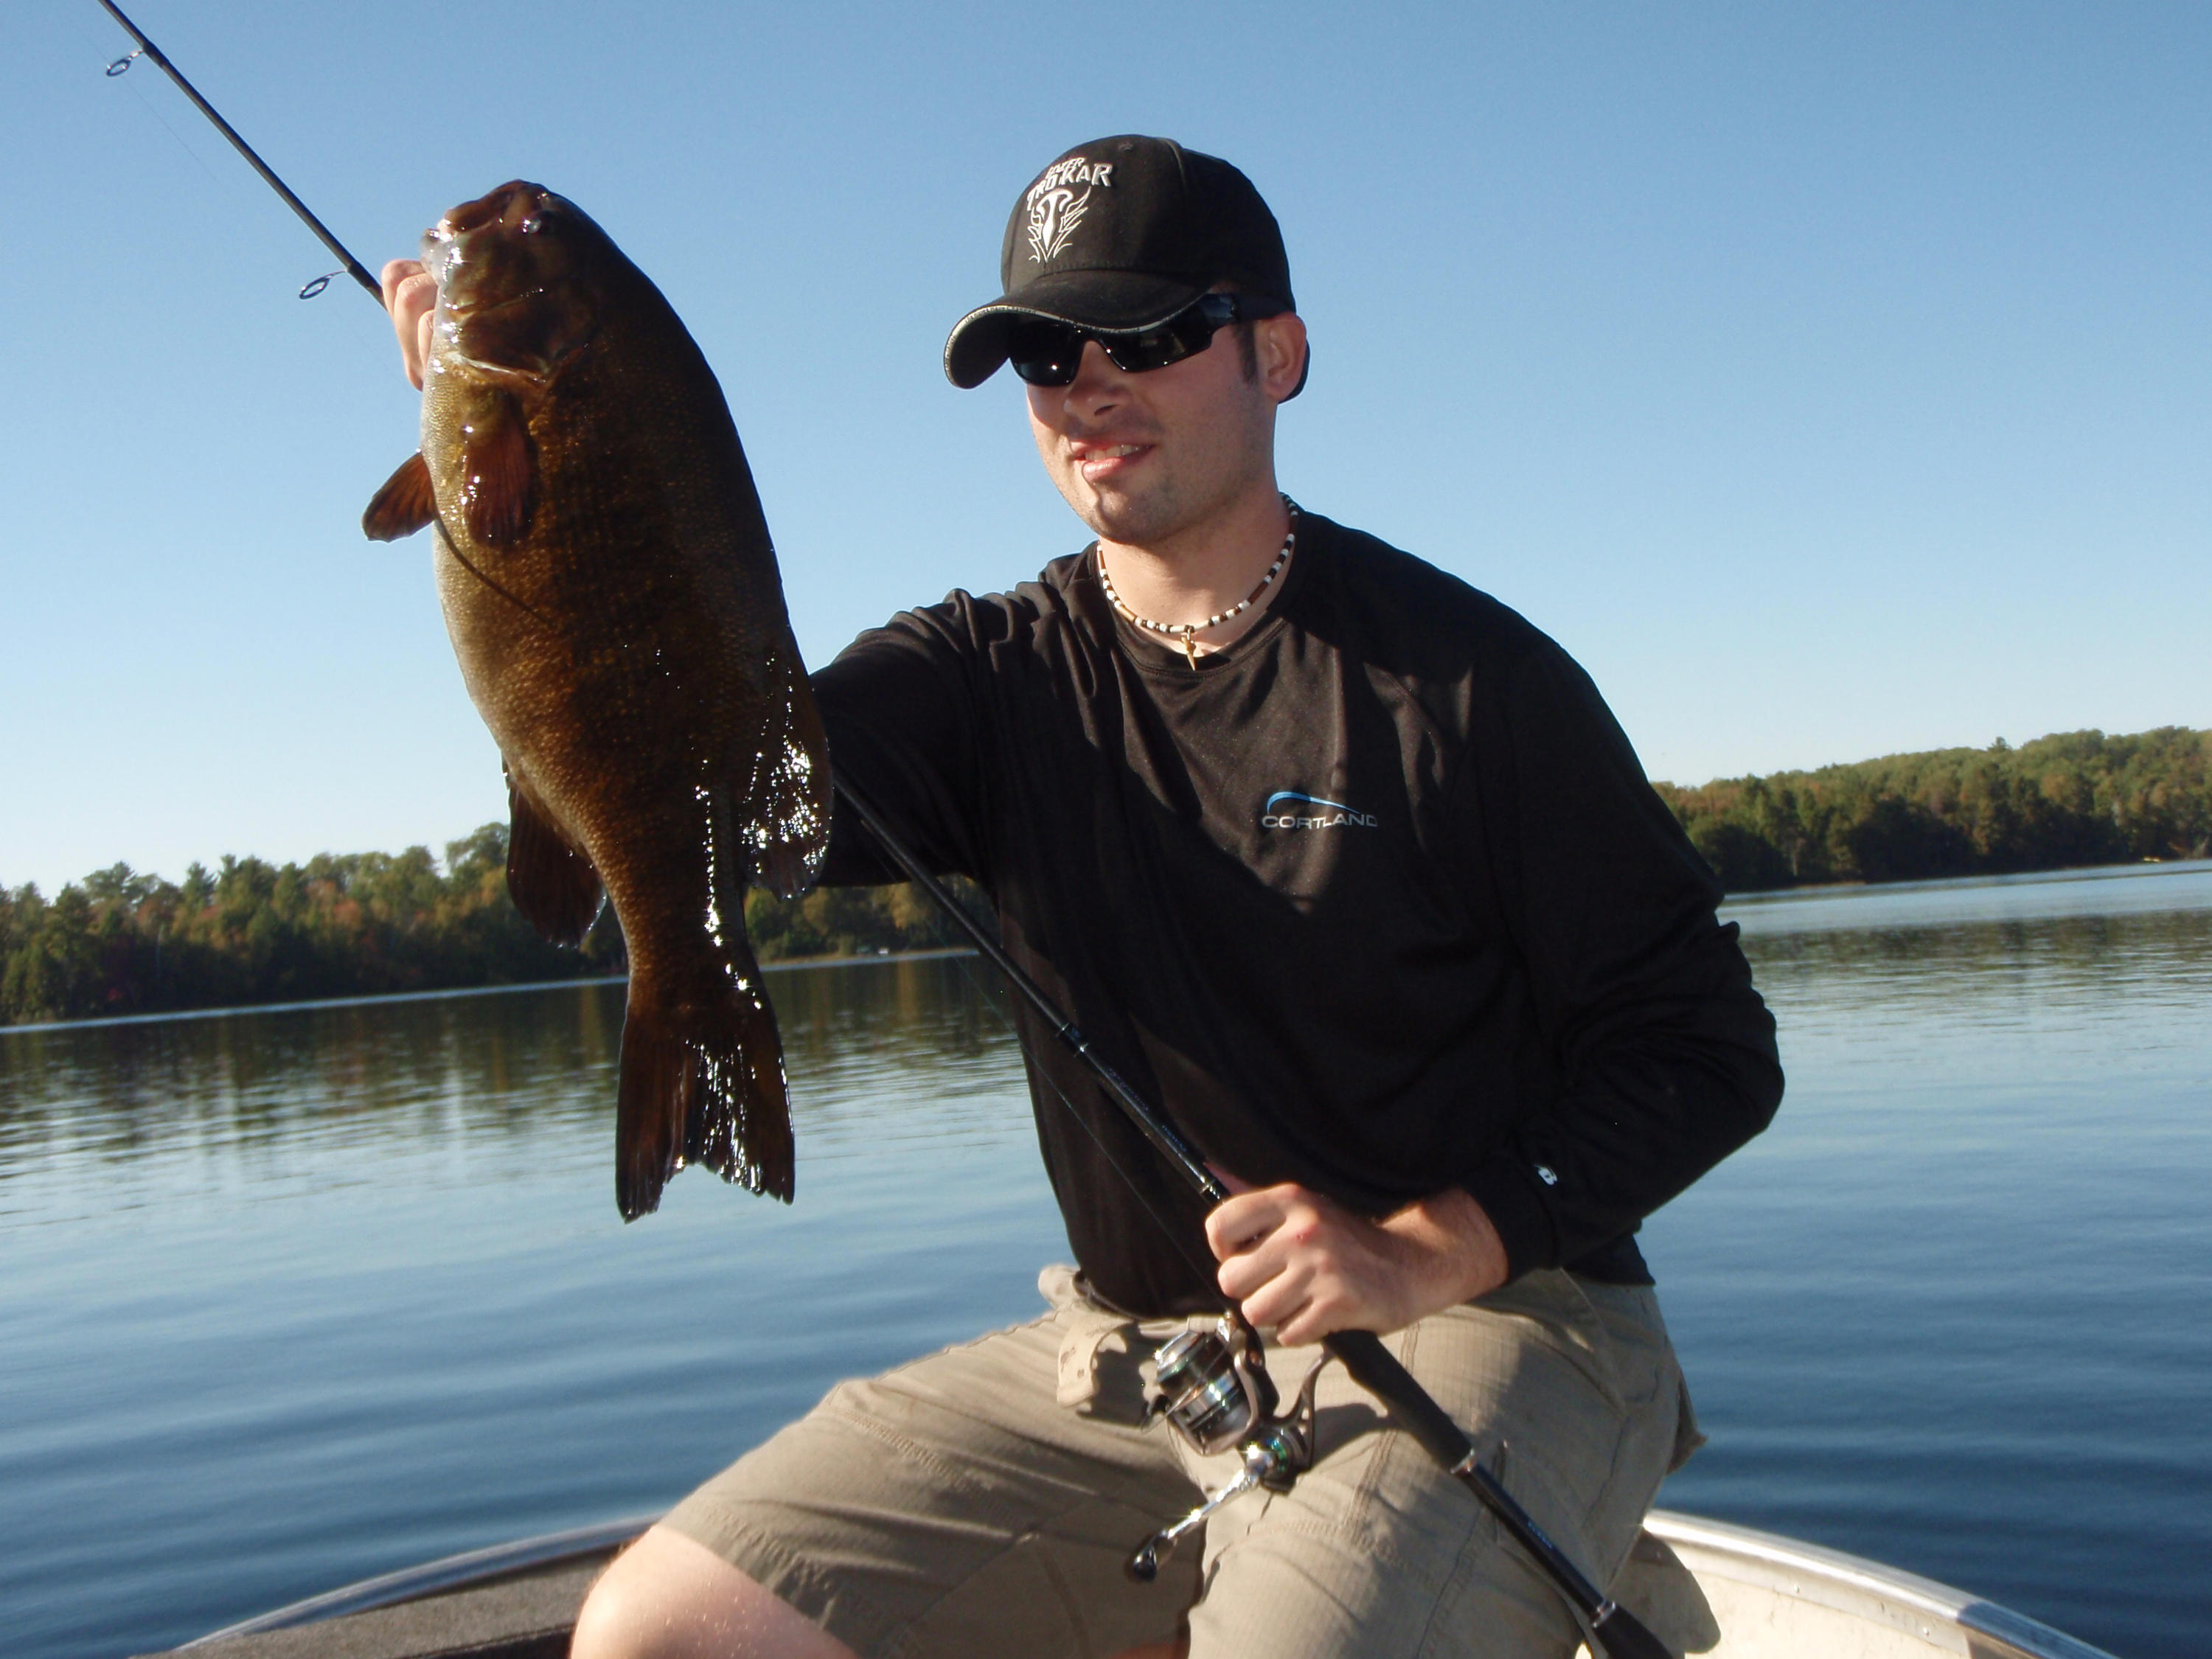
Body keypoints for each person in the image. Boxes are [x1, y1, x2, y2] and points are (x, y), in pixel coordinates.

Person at [385, 134, 1782, 1659]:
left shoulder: (1471, 683)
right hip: (1142, 1356)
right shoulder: (981, 678)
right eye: (1046, 352)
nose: (1088, 383)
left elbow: (1708, 1053)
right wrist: (512, 475)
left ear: (1277, 353)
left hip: (1501, 1316)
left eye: (1153, 335)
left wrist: (1425, 1245)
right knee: (660, 1630)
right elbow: (715, 775)